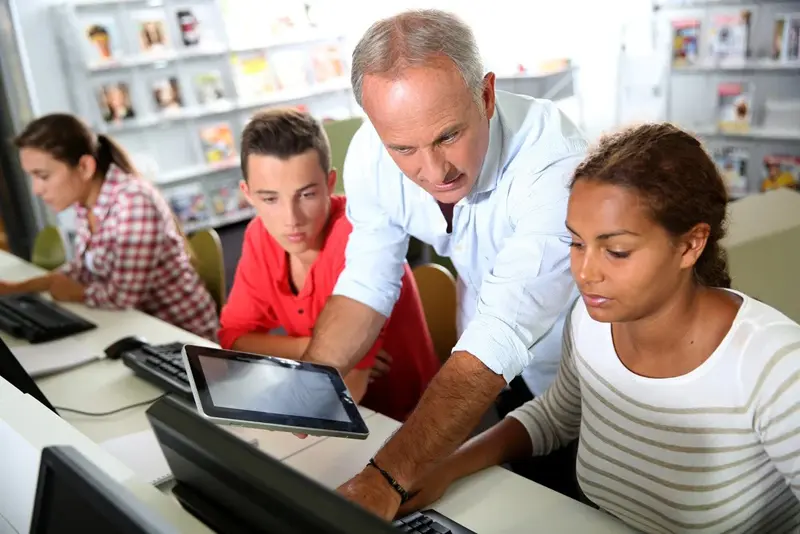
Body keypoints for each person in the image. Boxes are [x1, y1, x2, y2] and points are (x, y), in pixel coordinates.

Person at [398, 123, 800, 533]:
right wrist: (446, 468)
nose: (586, 272)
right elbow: (556, 416)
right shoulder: (590, 322)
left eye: (617, 251)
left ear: (690, 245)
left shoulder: (773, 363)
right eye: (576, 243)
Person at [296, 9, 588, 517]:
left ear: (487, 95)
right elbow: (366, 281)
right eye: (404, 148)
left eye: (448, 136)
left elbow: (502, 332)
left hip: (583, 376)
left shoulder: (554, 163)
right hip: (496, 371)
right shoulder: (372, 152)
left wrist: (387, 477)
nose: (434, 171)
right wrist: (306, 389)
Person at [217, 108, 439, 420]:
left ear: (330, 183)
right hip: (334, 411)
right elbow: (234, 338)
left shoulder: (361, 237)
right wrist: (308, 348)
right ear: (248, 195)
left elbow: (346, 386)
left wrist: (292, 354)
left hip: (401, 421)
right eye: (270, 199)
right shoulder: (258, 236)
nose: (291, 220)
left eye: (306, 194)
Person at [6, 113, 218, 341]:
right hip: (134, 329)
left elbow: (123, 297)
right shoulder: (86, 203)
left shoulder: (134, 201)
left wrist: (76, 293)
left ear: (85, 167)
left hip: (181, 338)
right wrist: (19, 287)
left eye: (43, 176)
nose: (36, 190)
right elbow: (83, 270)